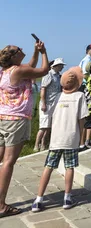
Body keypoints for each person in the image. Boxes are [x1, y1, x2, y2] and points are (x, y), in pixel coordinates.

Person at [0, 40, 49, 219]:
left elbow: (30, 66)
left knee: (1, 159)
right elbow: (43, 71)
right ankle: (1, 205)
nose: (21, 49)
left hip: (3, 118)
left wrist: (35, 52)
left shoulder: (6, 71)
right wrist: (44, 52)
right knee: (8, 162)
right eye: (18, 50)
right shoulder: (19, 71)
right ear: (13, 56)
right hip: (16, 120)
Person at [31, 67, 89, 213]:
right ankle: (67, 198)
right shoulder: (80, 96)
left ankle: (39, 199)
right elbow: (82, 119)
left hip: (56, 138)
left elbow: (51, 116)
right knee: (69, 167)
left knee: (48, 167)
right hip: (71, 137)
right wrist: (81, 135)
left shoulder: (57, 96)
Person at [34, 58, 65, 152]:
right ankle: (36, 145)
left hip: (54, 104)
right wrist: (43, 103)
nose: (62, 67)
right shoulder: (49, 74)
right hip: (47, 103)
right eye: (60, 65)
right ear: (55, 66)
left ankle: (43, 144)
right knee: (43, 126)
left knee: (49, 126)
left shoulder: (59, 76)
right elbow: (43, 89)